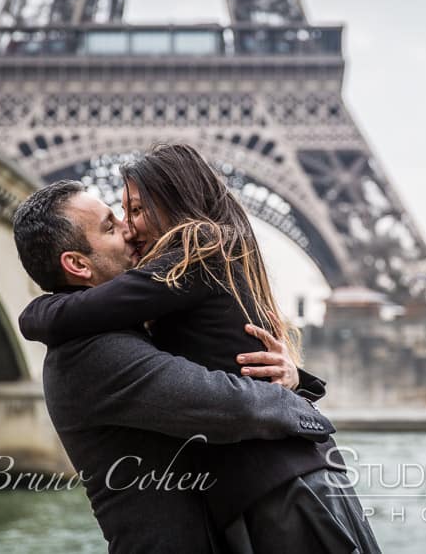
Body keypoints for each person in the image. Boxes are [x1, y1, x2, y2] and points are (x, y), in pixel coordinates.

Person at [20, 143, 381, 553]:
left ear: (172, 204)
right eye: (112, 223)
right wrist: (298, 398)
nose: (127, 227)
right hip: (270, 491)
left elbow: (232, 396)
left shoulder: (198, 251)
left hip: (284, 484)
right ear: (78, 264)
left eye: (133, 211)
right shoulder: (98, 346)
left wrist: (39, 314)